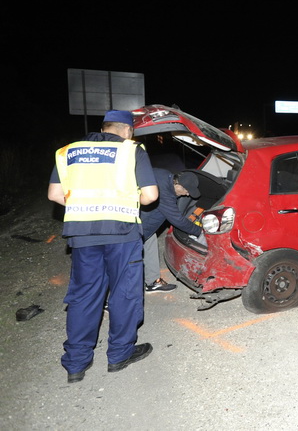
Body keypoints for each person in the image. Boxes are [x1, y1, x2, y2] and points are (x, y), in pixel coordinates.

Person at [48, 110, 159, 383]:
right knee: (123, 293)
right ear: (128, 131)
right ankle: (120, 354)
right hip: (122, 233)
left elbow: (54, 194)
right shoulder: (131, 151)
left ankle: (76, 363)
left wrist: (87, 205)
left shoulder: (68, 152)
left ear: (103, 127)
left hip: (83, 234)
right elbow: (150, 196)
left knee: (84, 295)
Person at [140, 169, 203, 292]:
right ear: (178, 185)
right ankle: (106, 299)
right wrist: (200, 231)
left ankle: (153, 281)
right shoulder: (164, 193)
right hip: (130, 226)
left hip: (140, 221)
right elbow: (178, 220)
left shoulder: (165, 175)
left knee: (150, 240)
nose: (187, 194)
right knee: (121, 263)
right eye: (186, 191)